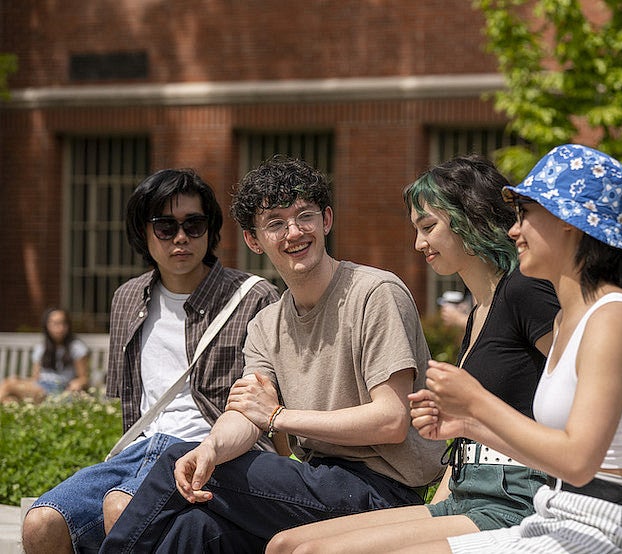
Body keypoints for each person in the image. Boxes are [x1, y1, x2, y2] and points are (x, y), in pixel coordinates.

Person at [99, 155, 446, 553]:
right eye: (276, 223)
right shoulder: (266, 323)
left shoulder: (375, 293)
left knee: (173, 461)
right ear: (253, 240)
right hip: (317, 482)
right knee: (194, 528)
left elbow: (391, 421)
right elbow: (246, 416)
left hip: (383, 492)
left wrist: (279, 417)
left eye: (305, 216)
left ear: (326, 220)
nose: (294, 232)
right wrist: (210, 448)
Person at [266, 154, 560, 554]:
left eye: (428, 227)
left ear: (469, 217)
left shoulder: (526, 291)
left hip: (517, 499)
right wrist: (435, 507)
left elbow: (578, 390)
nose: (418, 243)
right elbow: (464, 440)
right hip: (465, 492)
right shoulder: (477, 315)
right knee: (284, 545)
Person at [409, 144, 622, 553]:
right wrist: (467, 427)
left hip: (618, 533)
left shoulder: (614, 318)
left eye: (526, 214)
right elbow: (554, 451)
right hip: (562, 515)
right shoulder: (566, 320)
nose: (513, 230)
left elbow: (577, 460)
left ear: (569, 221)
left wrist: (476, 402)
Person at [22, 168, 279, 554]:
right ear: (143, 232)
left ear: (210, 230)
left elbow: (266, 404)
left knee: (121, 507)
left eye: (194, 225)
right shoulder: (127, 298)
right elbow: (130, 403)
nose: (181, 238)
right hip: (140, 450)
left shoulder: (252, 297)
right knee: (41, 523)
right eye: (165, 226)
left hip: (213, 452)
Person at [0, 307, 89, 404]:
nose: (60, 327)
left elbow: (83, 378)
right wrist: (20, 380)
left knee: (8, 385)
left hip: (60, 389)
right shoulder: (41, 348)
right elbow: (35, 378)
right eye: (55, 323)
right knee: (8, 399)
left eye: (63, 323)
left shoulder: (76, 347)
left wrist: (77, 383)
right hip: (40, 386)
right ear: (46, 325)